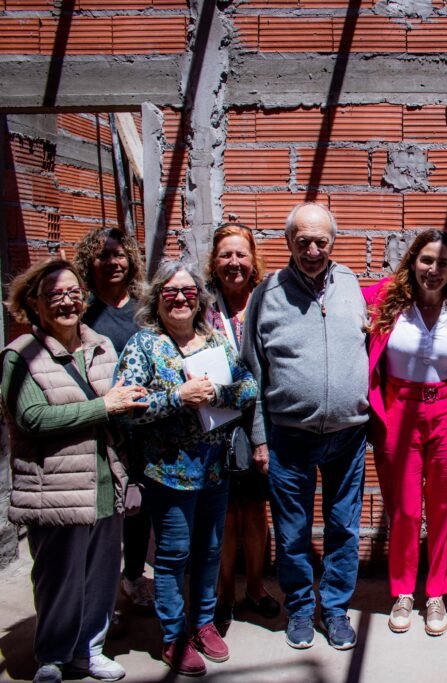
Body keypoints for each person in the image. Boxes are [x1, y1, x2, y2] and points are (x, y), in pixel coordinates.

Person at [1, 259, 147, 683]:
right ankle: (52, 655)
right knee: (58, 577)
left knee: (101, 573)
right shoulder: (19, 355)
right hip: (55, 486)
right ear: (34, 303)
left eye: (72, 293)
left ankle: (90, 650)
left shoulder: (101, 345)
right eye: (54, 295)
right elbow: (32, 418)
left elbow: (119, 403)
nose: (66, 302)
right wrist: (105, 406)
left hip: (105, 479)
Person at [115, 259, 257, 677]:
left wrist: (217, 393)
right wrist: (178, 397)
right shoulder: (143, 345)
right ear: (156, 298)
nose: (180, 298)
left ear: (200, 299)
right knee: (174, 555)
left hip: (215, 469)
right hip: (168, 473)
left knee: (210, 550)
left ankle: (203, 624)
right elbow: (127, 409)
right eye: (171, 292)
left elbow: (248, 386)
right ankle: (174, 636)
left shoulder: (214, 340)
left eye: (189, 292)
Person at [241, 202, 370, 651]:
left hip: (348, 435)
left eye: (321, 242)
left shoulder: (351, 284)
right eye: (303, 242)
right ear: (288, 243)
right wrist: (259, 438)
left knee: (343, 527)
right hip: (288, 436)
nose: (312, 251)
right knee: (292, 530)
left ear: (333, 242)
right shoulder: (267, 294)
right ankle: (299, 608)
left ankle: (334, 609)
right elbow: (252, 372)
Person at [363, 230, 447, 637]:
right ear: (413, 261)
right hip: (399, 409)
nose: (433, 269)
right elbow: (336, 295)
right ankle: (402, 591)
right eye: (426, 260)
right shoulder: (385, 298)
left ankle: (436, 594)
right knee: (406, 509)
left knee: (445, 508)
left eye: (443, 263)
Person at [72, 227, 154, 611]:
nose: (112, 262)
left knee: (139, 506)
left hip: (141, 426)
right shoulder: (82, 312)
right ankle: (98, 597)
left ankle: (132, 576)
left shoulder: (143, 309)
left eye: (119, 254)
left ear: (131, 260)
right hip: (99, 425)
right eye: (103, 255)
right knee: (103, 510)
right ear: (89, 262)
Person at [204, 223, 281, 628]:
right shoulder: (202, 305)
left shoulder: (267, 300)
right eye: (225, 255)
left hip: (260, 422)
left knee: (253, 510)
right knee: (223, 511)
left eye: (241, 254)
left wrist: (263, 436)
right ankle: (224, 593)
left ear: (253, 260)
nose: (233, 263)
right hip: (214, 422)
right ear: (214, 262)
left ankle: (254, 586)